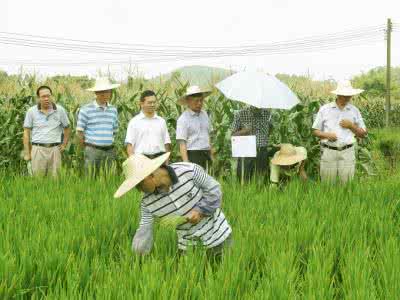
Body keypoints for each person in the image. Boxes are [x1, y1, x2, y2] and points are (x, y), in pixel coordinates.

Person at [114, 153, 232, 261]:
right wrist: (135, 260)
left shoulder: (189, 171)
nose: (139, 190)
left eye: (138, 184)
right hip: (188, 248)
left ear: (150, 175)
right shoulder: (147, 203)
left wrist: (200, 211)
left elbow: (214, 189)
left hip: (220, 237)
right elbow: (144, 231)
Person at [312, 80, 367, 183]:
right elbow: (315, 131)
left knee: (347, 187)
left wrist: (351, 126)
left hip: (347, 152)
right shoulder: (325, 109)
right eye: (344, 95)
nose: (347, 98)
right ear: (338, 94)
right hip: (329, 151)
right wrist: (327, 135)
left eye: (349, 95)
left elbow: (363, 134)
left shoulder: (354, 110)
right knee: (327, 186)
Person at [23, 85, 70, 176]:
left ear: (52, 96)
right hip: (38, 149)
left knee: (55, 181)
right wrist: (27, 153)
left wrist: (64, 144)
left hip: (55, 150)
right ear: (38, 98)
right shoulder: (31, 111)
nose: (46, 98)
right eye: (43, 96)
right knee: (38, 180)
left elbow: (67, 128)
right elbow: (26, 132)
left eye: (48, 96)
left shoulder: (60, 110)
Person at [76, 77, 119, 175]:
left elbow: (115, 130)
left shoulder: (113, 110)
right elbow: (80, 132)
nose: (104, 94)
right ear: (96, 93)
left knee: (108, 179)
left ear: (110, 92)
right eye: (101, 92)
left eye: (107, 91)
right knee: (91, 179)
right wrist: (87, 148)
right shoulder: (86, 109)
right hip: (92, 150)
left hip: (109, 150)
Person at [125, 90, 171, 160]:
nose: (152, 105)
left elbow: (166, 143)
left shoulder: (162, 121)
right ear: (141, 104)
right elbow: (130, 145)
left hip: (160, 159)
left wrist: (166, 162)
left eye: (154, 102)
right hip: (141, 159)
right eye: (149, 103)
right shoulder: (134, 122)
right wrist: (133, 162)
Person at [176, 85, 214, 170]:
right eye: (196, 101)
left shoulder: (205, 115)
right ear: (188, 101)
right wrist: (186, 163)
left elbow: (208, 136)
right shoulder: (183, 119)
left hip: (206, 153)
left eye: (201, 100)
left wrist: (211, 155)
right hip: (193, 155)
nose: (199, 103)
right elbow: (182, 143)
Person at [231, 106, 272, 181]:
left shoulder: (268, 114)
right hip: (246, 151)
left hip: (262, 151)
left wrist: (263, 139)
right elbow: (233, 135)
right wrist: (245, 131)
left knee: (262, 180)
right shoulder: (240, 114)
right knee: (244, 180)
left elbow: (270, 129)